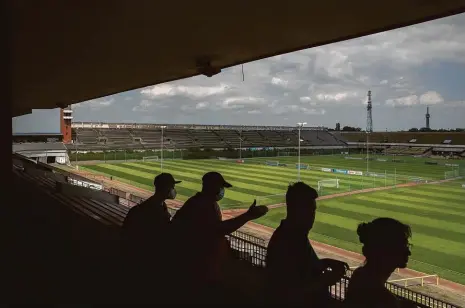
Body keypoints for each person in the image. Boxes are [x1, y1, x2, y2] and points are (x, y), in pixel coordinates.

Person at [169, 171, 268, 302]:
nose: (222, 191)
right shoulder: (201, 205)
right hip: (201, 268)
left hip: (203, 265)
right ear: (212, 186)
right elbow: (219, 229)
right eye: (220, 187)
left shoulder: (202, 202)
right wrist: (248, 215)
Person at [266, 182, 348, 307]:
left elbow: (302, 270)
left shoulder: (295, 235)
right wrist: (325, 280)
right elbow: (288, 292)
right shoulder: (288, 241)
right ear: (296, 210)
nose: (312, 215)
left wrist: (326, 262)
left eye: (313, 210)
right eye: (309, 210)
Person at [120, 172, 181, 302]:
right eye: (172, 187)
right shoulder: (152, 211)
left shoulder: (153, 207)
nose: (174, 190)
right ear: (166, 189)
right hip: (148, 267)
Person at [344, 218, 413, 308]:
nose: (408, 252)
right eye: (403, 246)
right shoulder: (386, 300)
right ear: (387, 250)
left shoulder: (359, 274)